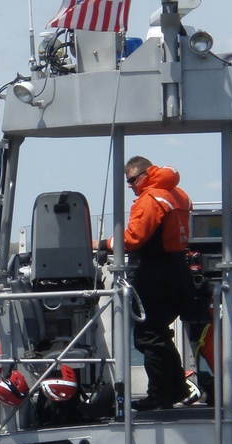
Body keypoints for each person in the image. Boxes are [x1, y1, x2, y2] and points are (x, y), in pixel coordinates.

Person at [98, 156, 195, 410]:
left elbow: (133, 239)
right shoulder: (178, 195)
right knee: (160, 333)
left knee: (148, 335)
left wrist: (103, 244)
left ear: (144, 174)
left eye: (131, 180)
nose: (130, 186)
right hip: (178, 270)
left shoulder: (150, 199)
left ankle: (161, 394)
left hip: (156, 273)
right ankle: (176, 389)